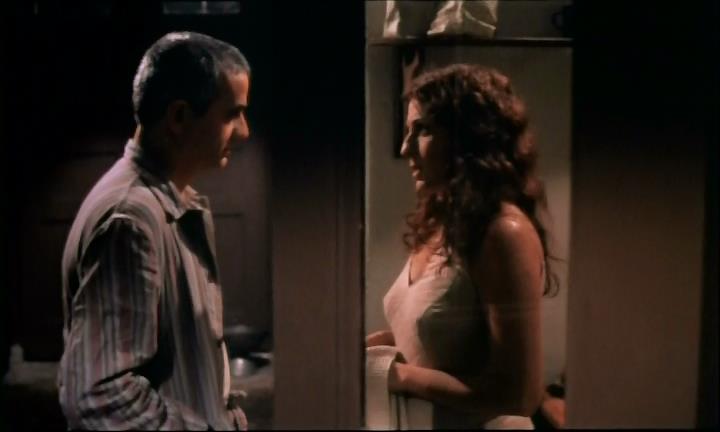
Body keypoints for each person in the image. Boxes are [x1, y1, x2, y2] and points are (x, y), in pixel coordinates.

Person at [58, 32, 251, 430]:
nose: (244, 131)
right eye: (232, 114)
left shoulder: (169, 204)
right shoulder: (130, 219)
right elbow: (101, 397)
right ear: (179, 118)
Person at [366, 64, 558, 429]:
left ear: (467, 138)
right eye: (407, 132)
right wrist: (378, 347)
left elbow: (520, 395)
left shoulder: (503, 232)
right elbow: (444, 342)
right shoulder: (443, 223)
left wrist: (398, 375)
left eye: (422, 129)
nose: (405, 148)